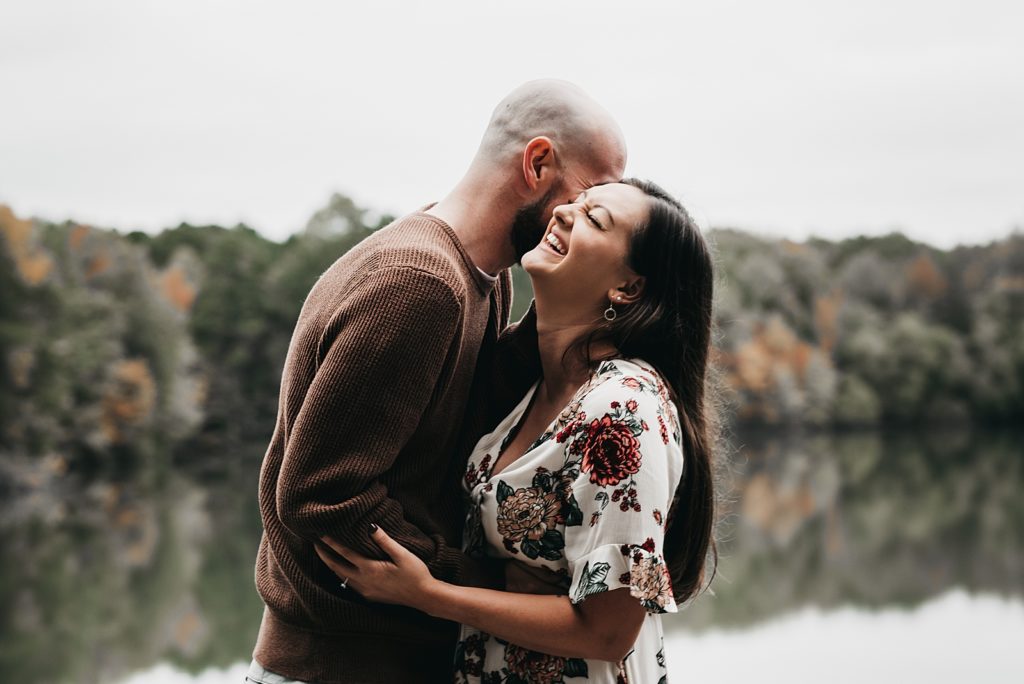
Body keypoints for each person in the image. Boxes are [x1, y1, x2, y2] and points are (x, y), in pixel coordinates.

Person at [248, 80, 626, 684]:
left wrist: (576, 304)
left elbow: (465, 413)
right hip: (338, 668)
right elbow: (322, 495)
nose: (587, 216)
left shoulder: (479, 274)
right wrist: (478, 582)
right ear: (536, 163)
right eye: (595, 192)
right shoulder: (419, 283)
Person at [317, 179, 718, 683]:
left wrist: (427, 594)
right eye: (575, 202)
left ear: (628, 288)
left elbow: (610, 632)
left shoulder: (622, 412)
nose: (565, 213)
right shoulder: (534, 387)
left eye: (595, 219)